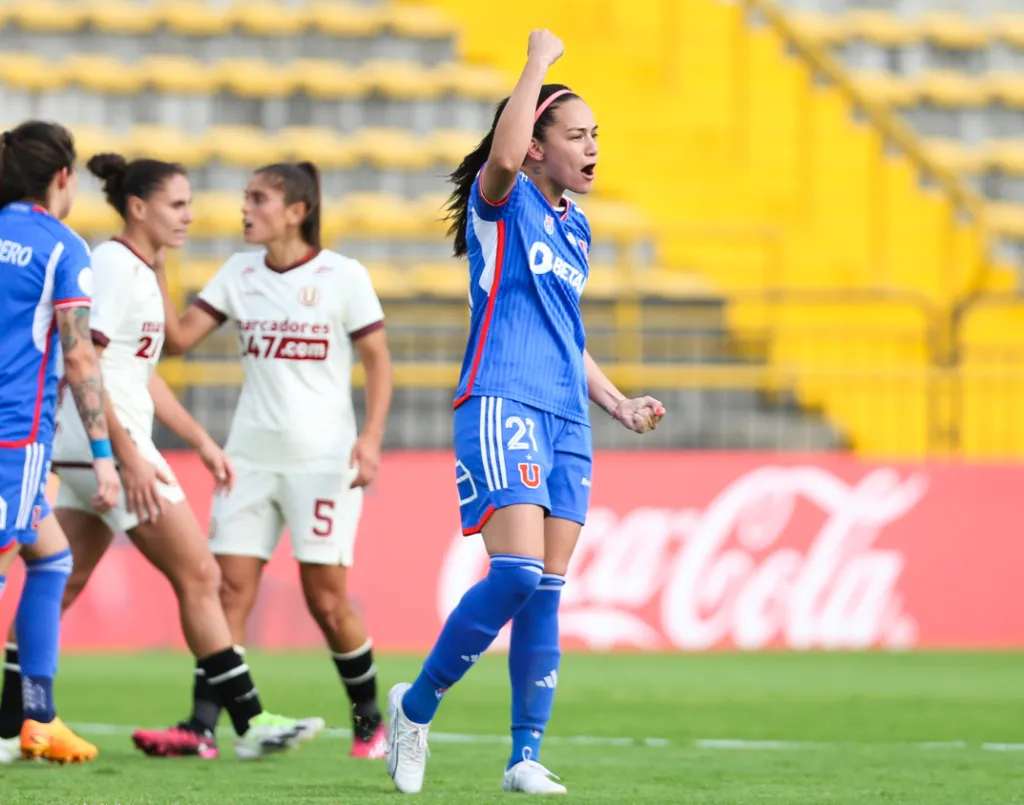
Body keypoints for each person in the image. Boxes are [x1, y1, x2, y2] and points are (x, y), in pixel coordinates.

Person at [385, 32, 666, 795]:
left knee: (546, 586)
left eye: (597, 135)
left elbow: (564, 330)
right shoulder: (501, 202)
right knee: (511, 570)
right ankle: (414, 709)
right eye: (576, 134)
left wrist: (617, 402)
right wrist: (537, 65)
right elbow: (499, 161)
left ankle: (522, 756)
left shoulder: (576, 226)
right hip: (501, 396)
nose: (592, 146)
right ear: (536, 145)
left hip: (566, 418)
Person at [0, 152, 323, 762]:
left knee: (59, 583)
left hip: (84, 447)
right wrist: (126, 459)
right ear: (139, 208)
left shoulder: (139, 268)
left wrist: (200, 440)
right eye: (178, 205)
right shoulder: (114, 268)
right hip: (110, 447)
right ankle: (250, 721)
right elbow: (87, 367)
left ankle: (14, 725)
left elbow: (142, 368)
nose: (191, 216)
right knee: (200, 575)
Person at [151, 160, 394, 759]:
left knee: (327, 600)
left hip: (324, 464)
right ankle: (202, 727)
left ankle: (370, 720)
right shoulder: (238, 273)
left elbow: (378, 360)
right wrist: (155, 260)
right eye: (245, 197)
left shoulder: (343, 276)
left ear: (296, 211)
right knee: (228, 591)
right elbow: (178, 340)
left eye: (257, 198)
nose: (245, 209)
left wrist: (371, 438)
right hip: (249, 458)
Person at [0, 120, 122, 764]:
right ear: (62, 179)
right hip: (11, 438)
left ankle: (37, 720)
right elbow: (79, 358)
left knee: (51, 558)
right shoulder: (61, 247)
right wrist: (103, 457)